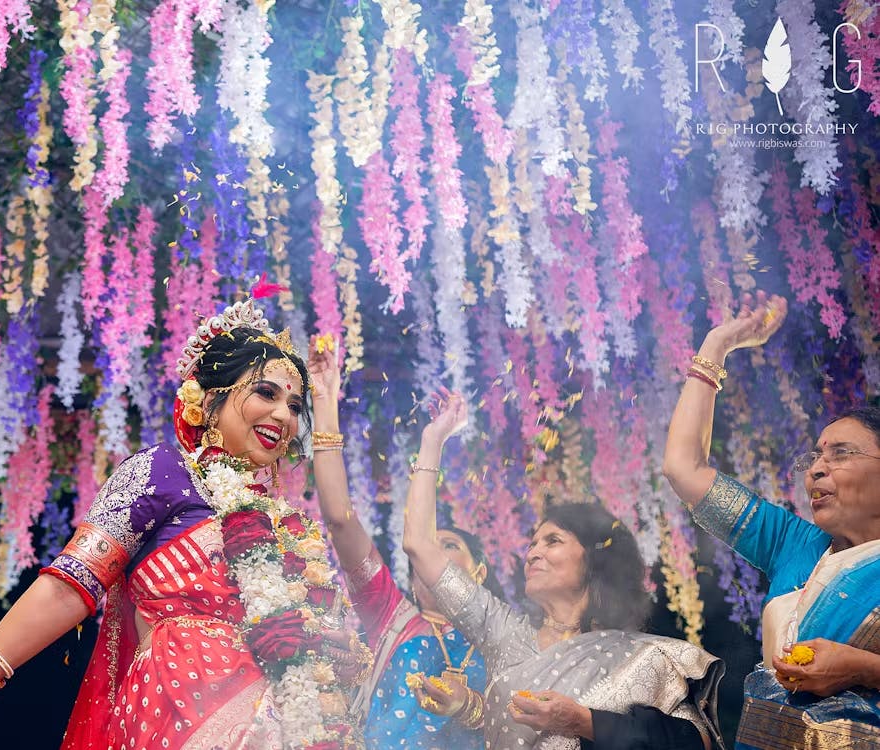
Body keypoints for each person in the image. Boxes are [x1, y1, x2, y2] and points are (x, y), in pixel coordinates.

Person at [0, 295, 374, 747]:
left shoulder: (280, 524)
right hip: (180, 711)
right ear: (208, 399)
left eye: (295, 406)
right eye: (266, 393)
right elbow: (68, 587)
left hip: (281, 723)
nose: (283, 416)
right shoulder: (163, 472)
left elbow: (329, 554)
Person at [404, 390, 722, 750]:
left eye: (552, 541)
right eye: (532, 543)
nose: (532, 553)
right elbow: (419, 545)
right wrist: (433, 440)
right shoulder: (504, 635)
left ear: (595, 560)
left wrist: (583, 722)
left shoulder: (645, 657)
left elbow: (695, 745)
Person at [662, 291, 880, 748]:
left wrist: (862, 668)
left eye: (841, 454)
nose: (818, 468)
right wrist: (716, 346)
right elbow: (685, 469)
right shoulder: (795, 545)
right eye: (816, 456)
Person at [305, 338, 495, 748]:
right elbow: (340, 518)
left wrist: (474, 707)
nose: (428, 551)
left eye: (448, 546)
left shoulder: (503, 637)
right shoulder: (391, 613)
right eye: (426, 545)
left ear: (479, 571)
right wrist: (323, 402)